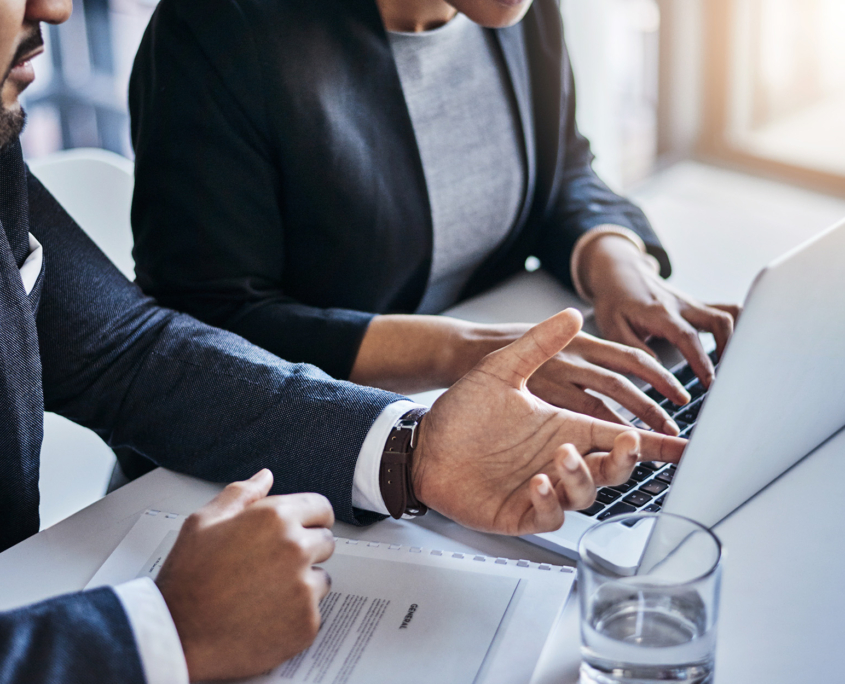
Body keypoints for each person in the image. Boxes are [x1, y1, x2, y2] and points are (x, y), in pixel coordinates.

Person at [0, 0, 686, 681]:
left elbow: (128, 349)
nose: (57, 9)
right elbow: (204, 311)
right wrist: (155, 633)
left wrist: (412, 453)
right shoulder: (226, 30)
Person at [128, 0, 741, 448]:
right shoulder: (217, 28)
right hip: (285, 456)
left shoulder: (517, 12)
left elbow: (562, 170)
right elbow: (206, 324)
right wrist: (469, 353)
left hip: (478, 419)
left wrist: (616, 262)